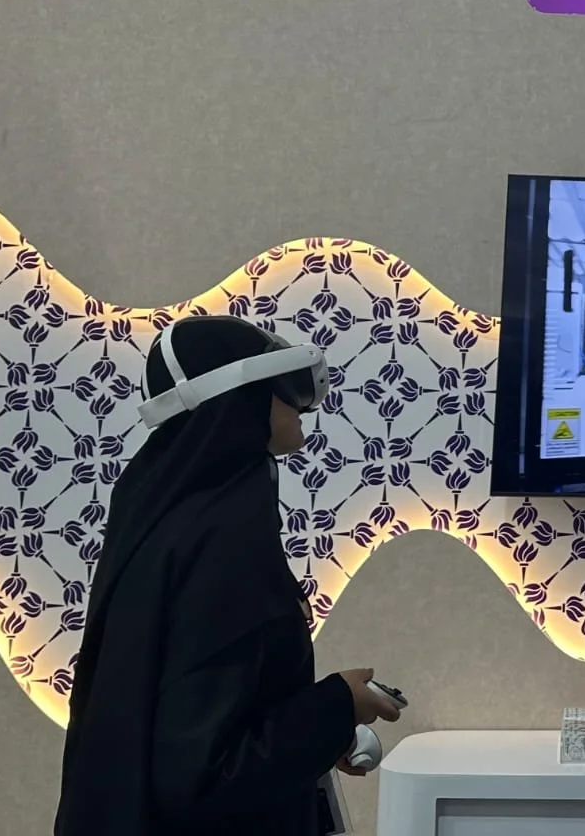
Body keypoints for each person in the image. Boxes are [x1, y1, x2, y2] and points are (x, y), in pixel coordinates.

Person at [54, 315, 401, 836]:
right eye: (282, 387)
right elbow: (203, 776)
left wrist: (321, 738)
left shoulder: (163, 518)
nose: (300, 403)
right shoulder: (224, 541)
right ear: (240, 398)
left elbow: (196, 719)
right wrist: (338, 704)